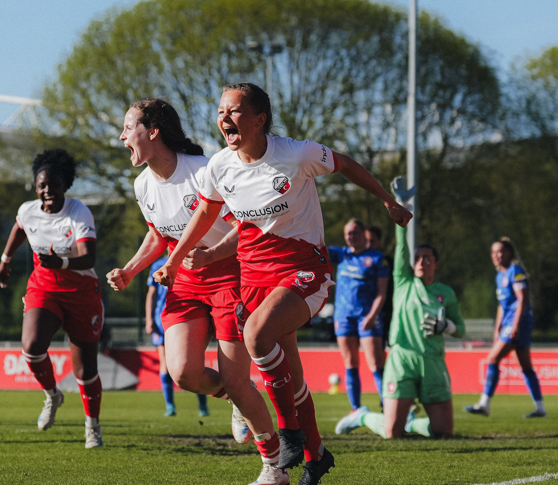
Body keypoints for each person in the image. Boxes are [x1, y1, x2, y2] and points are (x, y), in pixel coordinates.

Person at [153, 83, 412, 484]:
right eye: (221, 111)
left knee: (257, 335)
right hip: (254, 278)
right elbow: (205, 215)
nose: (224, 118)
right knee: (292, 378)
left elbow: (344, 164)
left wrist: (386, 200)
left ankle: (288, 435)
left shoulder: (297, 154)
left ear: (260, 120)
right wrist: (177, 260)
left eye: (234, 111)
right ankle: (316, 455)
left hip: (304, 270)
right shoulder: (220, 166)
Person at [107, 99, 287, 484]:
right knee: (183, 373)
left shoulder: (206, 171)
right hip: (185, 280)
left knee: (235, 379)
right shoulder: (142, 185)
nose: (122, 137)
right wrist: (130, 270)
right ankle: (239, 396)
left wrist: (212, 256)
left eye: (127, 128)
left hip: (231, 277)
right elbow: (159, 234)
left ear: (153, 131)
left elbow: (248, 224)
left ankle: (273, 466)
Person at [0, 148, 105, 448]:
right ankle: (52, 395)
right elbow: (20, 227)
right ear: (35, 187)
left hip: (81, 291)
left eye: (53, 185)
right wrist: (5, 259)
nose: (47, 190)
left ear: (65, 185)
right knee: (31, 346)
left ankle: (92, 426)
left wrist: (63, 263)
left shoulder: (78, 212)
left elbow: (89, 256)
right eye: (42, 185)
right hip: (44, 285)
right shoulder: (28, 210)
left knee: (85, 370)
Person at [338, 180, 465, 439]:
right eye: (417, 257)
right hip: (402, 359)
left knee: (443, 431)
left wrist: (447, 327)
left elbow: (460, 330)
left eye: (427, 258)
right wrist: (401, 206)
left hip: (432, 360)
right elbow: (401, 241)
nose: (421, 261)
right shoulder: (404, 280)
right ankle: (361, 415)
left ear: (436, 264)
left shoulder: (446, 293)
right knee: (391, 432)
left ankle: (411, 424)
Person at [465, 238, 546, 418]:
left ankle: (484, 404)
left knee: (492, 359)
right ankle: (540, 408)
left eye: (500, 251)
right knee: (526, 367)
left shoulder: (515, 272)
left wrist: (515, 325)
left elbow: (522, 299)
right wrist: (497, 327)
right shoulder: (500, 276)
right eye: (493, 252)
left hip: (518, 323)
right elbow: (502, 305)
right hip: (510, 324)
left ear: (510, 254)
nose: (496, 255)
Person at [331, 219, 389, 434]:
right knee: (350, 362)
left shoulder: (376, 258)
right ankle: (355, 409)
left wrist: (372, 315)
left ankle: (387, 406)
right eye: (347, 233)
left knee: (375, 364)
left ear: (364, 234)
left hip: (367, 317)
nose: (350, 236)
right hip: (343, 317)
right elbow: (315, 246)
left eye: (354, 232)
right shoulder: (341, 254)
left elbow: (382, 292)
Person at [145, 255, 209, 417]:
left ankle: (202, 406)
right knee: (164, 364)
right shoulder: (158, 264)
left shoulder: (188, 259)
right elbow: (151, 293)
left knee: (194, 363)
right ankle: (170, 406)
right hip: (162, 319)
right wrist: (149, 319)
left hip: (186, 315)